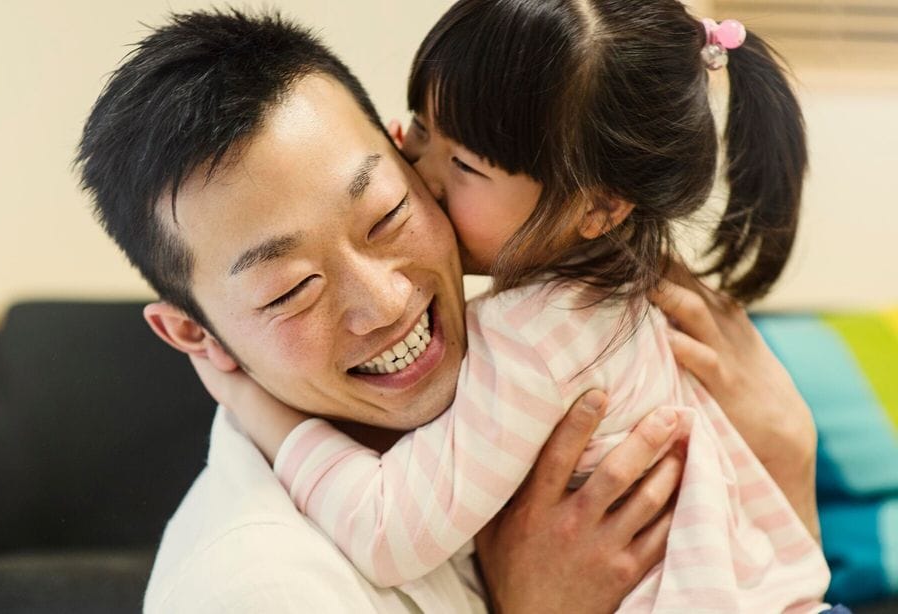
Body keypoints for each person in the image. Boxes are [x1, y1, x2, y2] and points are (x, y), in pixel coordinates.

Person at [75, 8, 820, 613]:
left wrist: (789, 457)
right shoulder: (261, 588)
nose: (388, 301)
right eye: (290, 288)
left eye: (390, 210)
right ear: (191, 334)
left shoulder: (561, 323)